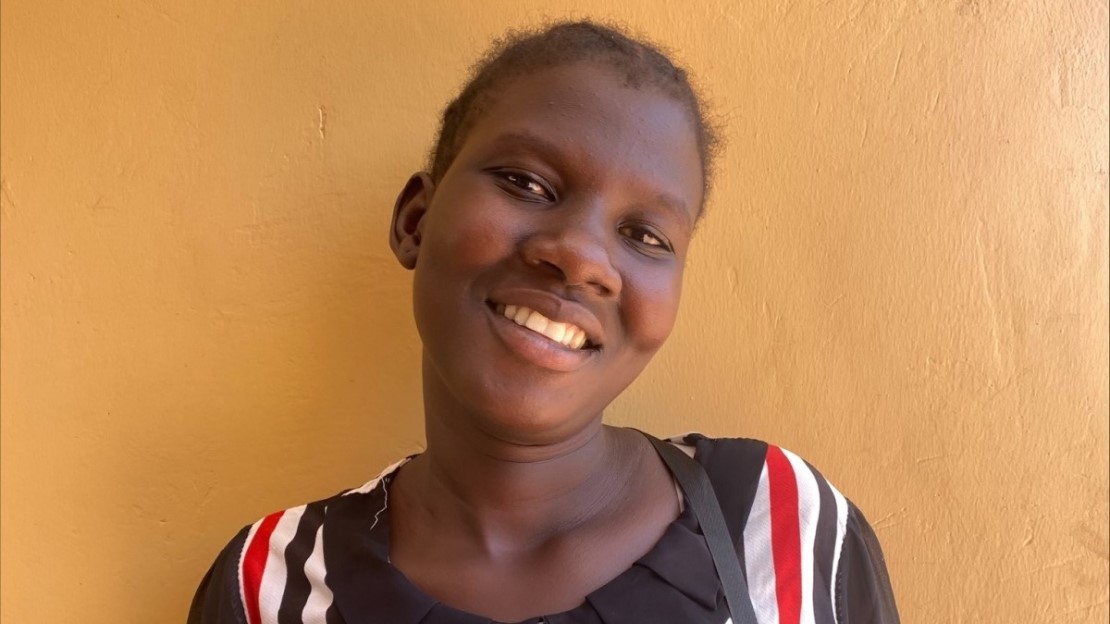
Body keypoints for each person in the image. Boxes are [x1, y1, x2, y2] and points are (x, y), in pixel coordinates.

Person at [188, 20, 899, 624]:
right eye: (527, 184)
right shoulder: (267, 586)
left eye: (646, 235)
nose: (580, 256)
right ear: (415, 221)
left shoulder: (778, 526)